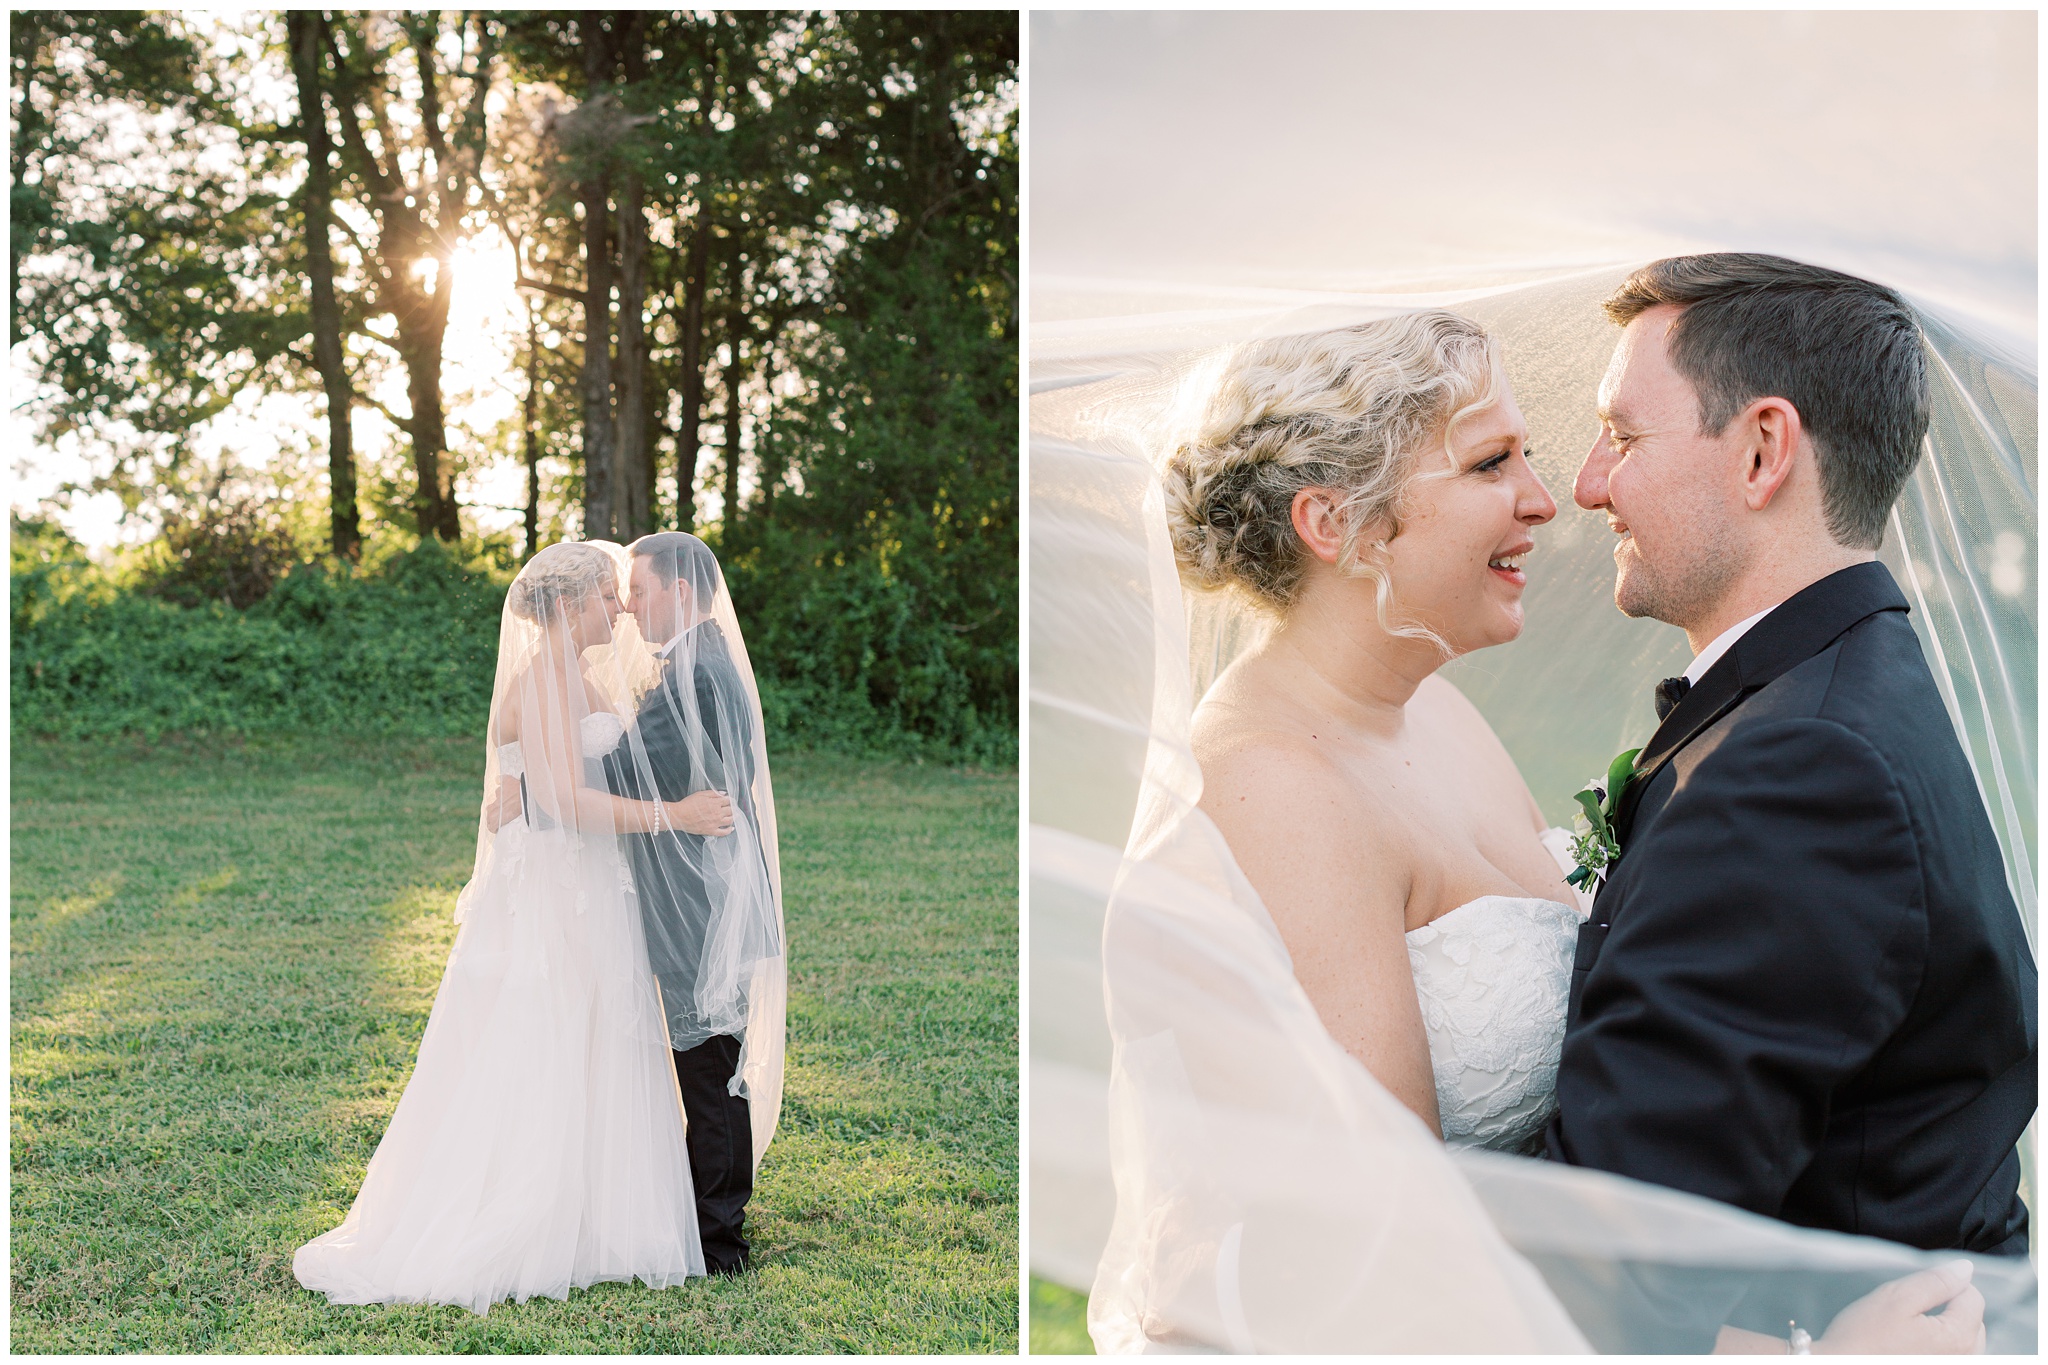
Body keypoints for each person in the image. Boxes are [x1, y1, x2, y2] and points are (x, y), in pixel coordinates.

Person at [1079, 303, 2017, 1352]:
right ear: (1333, 524)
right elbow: (1386, 1260)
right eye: (1489, 464)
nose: (1546, 498)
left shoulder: (1434, 714)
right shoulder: (1270, 797)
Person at [1551, 255, 2037, 1251]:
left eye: (1620, 435)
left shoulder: (1797, 769)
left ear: (1762, 448)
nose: (1585, 482)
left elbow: (1621, 1250)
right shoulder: (1849, 682)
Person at [293, 541, 728, 1313]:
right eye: (605, 597)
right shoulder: (547, 680)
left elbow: (563, 782)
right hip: (561, 889)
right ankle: (536, 1210)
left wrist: (526, 791)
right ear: (568, 607)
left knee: (593, 1034)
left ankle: (602, 1210)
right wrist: (675, 815)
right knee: (547, 1035)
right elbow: (566, 801)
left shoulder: (582, 675)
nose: (619, 607)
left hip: (590, 880)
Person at [600, 531, 786, 1277]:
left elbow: (624, 769)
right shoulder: (699, 661)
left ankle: (719, 1240)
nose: (630, 605)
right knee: (715, 1066)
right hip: (711, 892)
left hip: (700, 902)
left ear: (680, 589)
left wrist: (533, 785)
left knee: (708, 1073)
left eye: (640, 590)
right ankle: (719, 1220)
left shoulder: (696, 674)